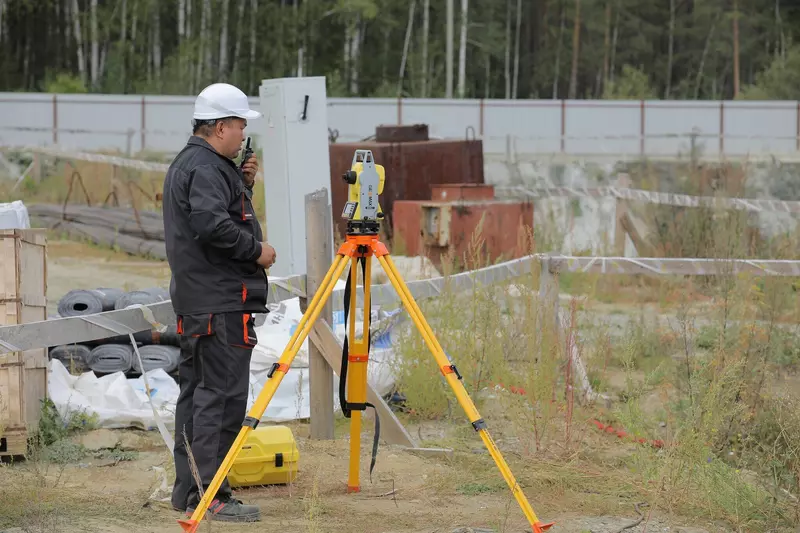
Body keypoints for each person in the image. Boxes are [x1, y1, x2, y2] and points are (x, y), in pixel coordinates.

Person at [162, 82, 276, 522]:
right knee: (221, 397)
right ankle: (212, 496)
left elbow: (211, 216)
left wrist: (241, 184)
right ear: (221, 126)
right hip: (219, 302)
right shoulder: (206, 168)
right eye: (241, 124)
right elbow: (212, 226)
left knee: (197, 395)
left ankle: (191, 490)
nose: (244, 132)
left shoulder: (200, 165)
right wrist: (256, 250)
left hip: (204, 300)